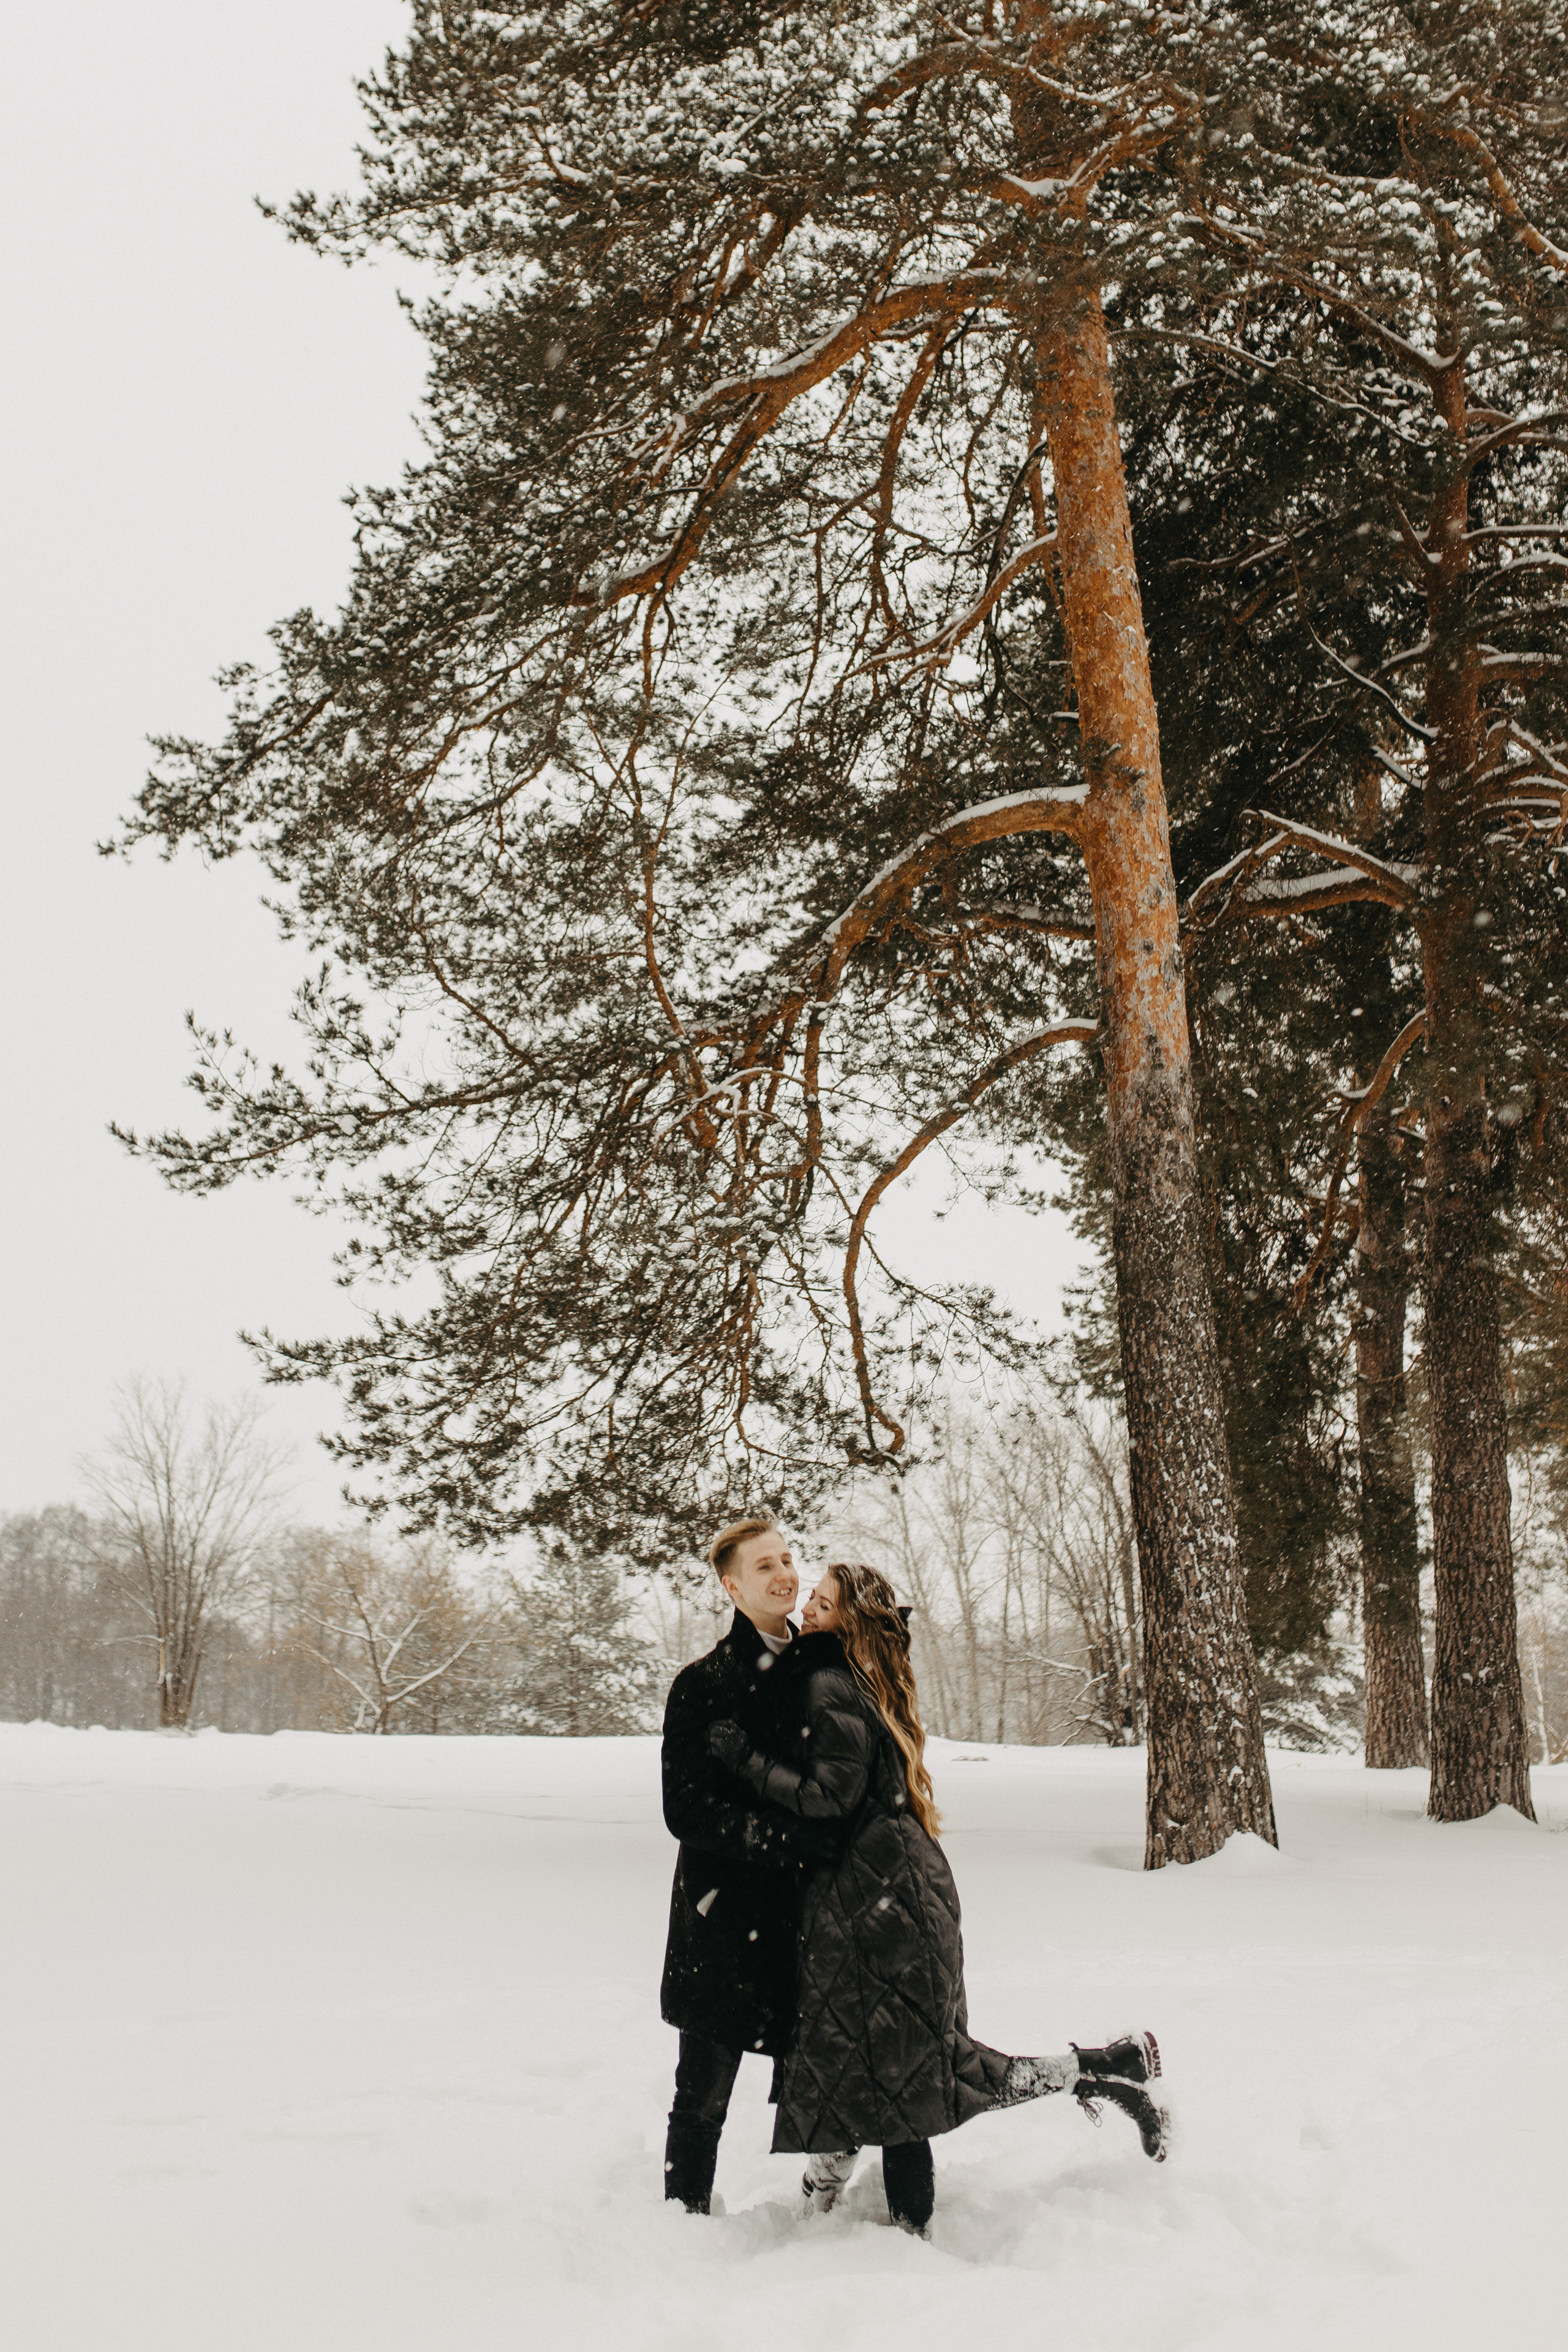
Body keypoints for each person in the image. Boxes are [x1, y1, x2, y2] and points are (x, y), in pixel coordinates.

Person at [707, 1561, 1169, 2236]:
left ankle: (908, 2242)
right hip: (883, 1897)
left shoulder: (831, 1683)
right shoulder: (852, 1679)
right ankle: (1103, 2069)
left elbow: (827, 1798)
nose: (808, 1608)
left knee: (906, 2081)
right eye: (812, 1598)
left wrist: (740, 1758)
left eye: (824, 1604)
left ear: (852, 1621)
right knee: (877, 2065)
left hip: (877, 1907)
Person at [658, 1517, 813, 2215]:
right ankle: (682, 2216)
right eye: (763, 1567)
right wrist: (781, 1842)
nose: (783, 1574)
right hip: (725, 1914)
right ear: (731, 1585)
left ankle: (835, 2205)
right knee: (703, 2090)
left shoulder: (827, 1666)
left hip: (812, 1911)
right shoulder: (701, 1685)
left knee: (834, 2066)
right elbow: (685, 1811)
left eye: (786, 1559)